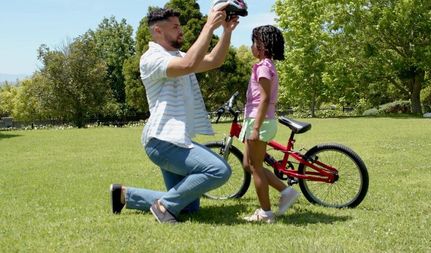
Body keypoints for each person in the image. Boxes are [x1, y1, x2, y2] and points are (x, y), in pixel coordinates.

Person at [110, 7, 239, 223]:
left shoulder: (177, 55)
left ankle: (124, 194)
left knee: (189, 206)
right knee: (220, 170)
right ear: (158, 30)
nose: (181, 30)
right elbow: (188, 64)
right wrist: (209, 26)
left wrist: (226, 31)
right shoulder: (151, 58)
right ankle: (164, 207)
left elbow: (214, 61)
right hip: (162, 142)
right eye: (176, 27)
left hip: (176, 140)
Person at [240, 25, 299, 223]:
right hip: (255, 119)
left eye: (253, 42)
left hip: (260, 120)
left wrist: (255, 127)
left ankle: (266, 213)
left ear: (262, 45)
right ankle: (286, 191)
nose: (251, 47)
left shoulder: (264, 66)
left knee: (256, 167)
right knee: (248, 164)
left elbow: (264, 99)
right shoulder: (263, 65)